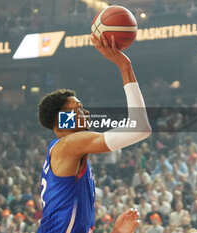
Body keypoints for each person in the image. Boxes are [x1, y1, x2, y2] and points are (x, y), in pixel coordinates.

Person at [37, 33, 151, 233]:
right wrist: (125, 67)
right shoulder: (70, 144)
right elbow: (140, 128)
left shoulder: (67, 151)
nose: (86, 112)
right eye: (78, 108)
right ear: (61, 119)